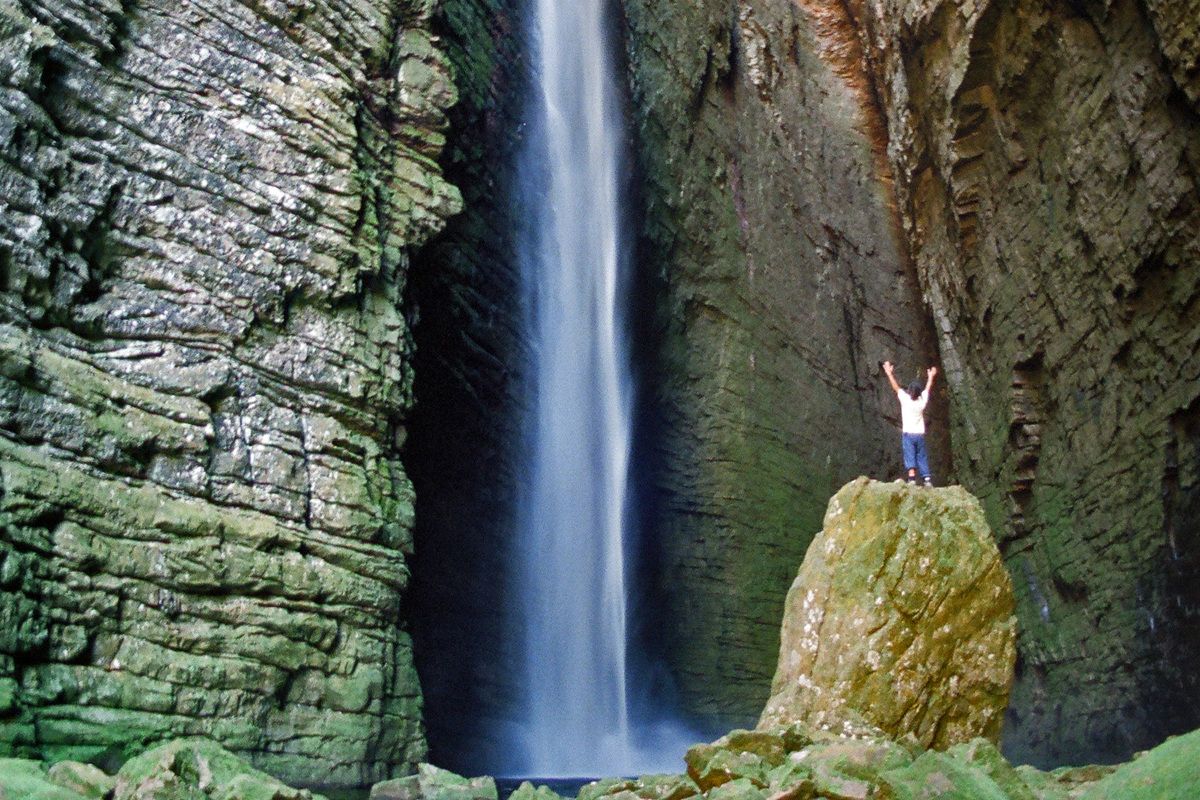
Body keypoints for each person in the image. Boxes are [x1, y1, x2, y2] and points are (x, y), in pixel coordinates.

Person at [882, 361, 936, 486]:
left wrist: (889, 373)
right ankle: (927, 479)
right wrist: (931, 376)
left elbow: (896, 387)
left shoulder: (906, 400)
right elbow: (927, 389)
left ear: (910, 392)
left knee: (910, 454)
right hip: (920, 434)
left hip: (908, 434)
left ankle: (912, 479)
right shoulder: (922, 402)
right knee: (921, 456)